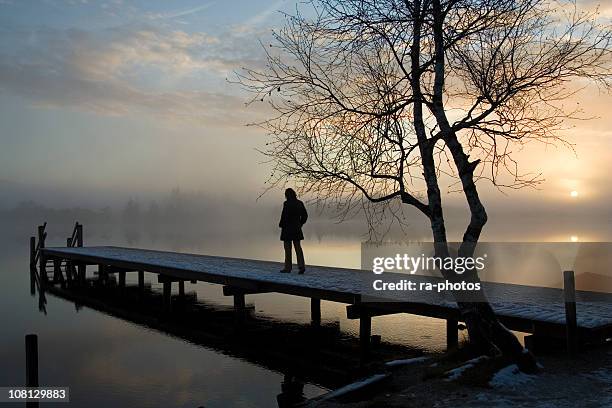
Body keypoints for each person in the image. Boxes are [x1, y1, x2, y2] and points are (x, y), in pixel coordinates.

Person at [279, 188, 308, 273]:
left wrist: (281, 224)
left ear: (287, 195)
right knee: (298, 248)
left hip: (287, 229)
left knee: (288, 250)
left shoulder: (287, 204)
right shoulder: (299, 203)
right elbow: (305, 215)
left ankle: (288, 268)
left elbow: (284, 216)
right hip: (296, 229)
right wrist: (300, 224)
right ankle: (301, 267)